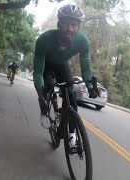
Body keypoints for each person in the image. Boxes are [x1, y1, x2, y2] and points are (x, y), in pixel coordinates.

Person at [33, 3, 99, 147]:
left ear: (78, 27)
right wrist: (40, 95)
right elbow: (38, 72)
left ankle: (71, 133)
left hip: (62, 64)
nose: (70, 29)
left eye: (74, 25)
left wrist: (89, 85)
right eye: (65, 24)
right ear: (58, 24)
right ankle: (45, 111)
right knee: (46, 88)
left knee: (70, 94)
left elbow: (86, 69)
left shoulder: (82, 41)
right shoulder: (44, 40)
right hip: (46, 65)